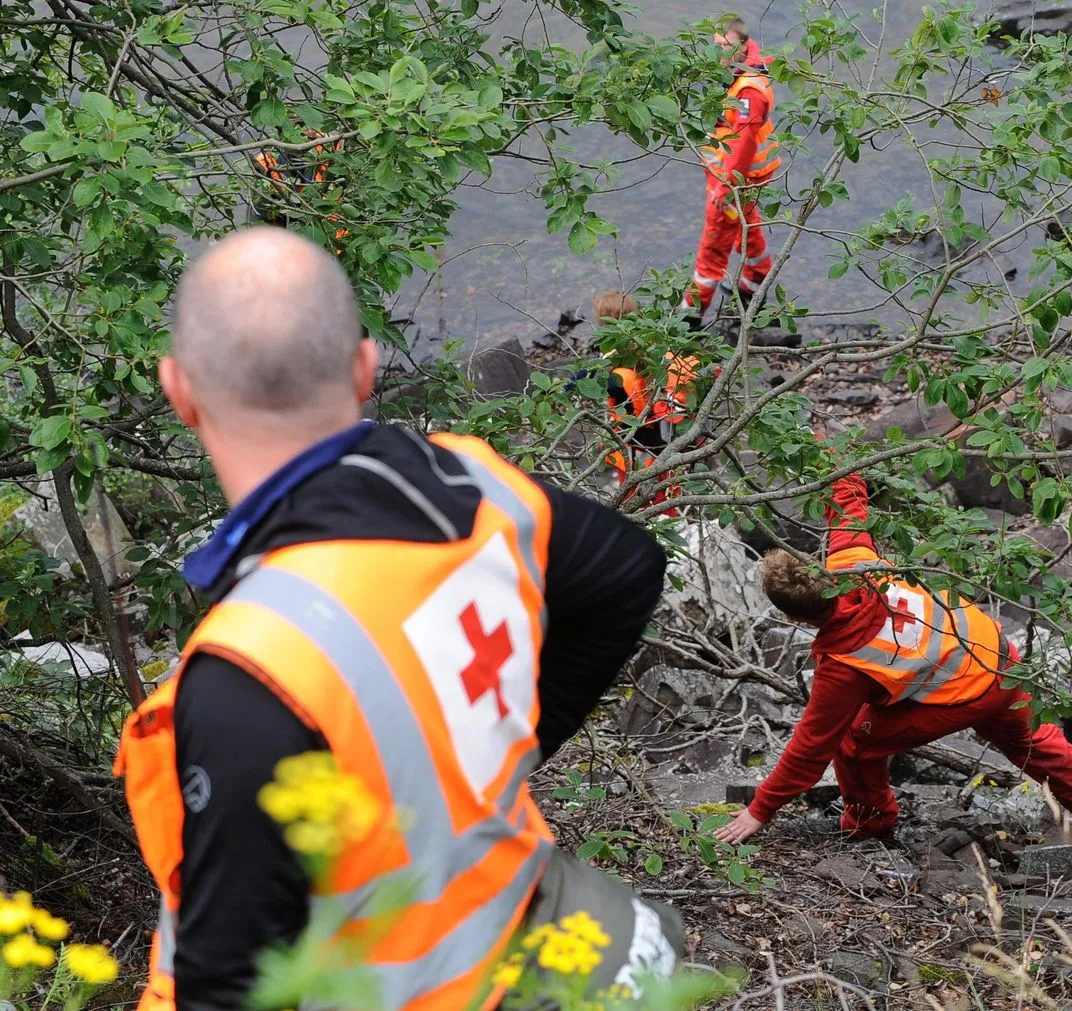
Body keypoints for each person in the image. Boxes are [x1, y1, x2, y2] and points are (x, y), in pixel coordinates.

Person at [116, 229, 679, 1010]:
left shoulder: (247, 673)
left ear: (178, 391)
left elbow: (226, 985)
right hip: (537, 939)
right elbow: (628, 568)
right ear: (364, 366)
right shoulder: (480, 484)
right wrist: (505, 752)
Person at [714, 472, 1072, 853]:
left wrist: (761, 809)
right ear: (822, 568)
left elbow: (811, 746)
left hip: (968, 689)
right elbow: (847, 499)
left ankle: (870, 825)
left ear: (793, 617)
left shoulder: (843, 666)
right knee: (1032, 740)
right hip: (996, 653)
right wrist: (827, 462)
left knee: (853, 741)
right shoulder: (855, 559)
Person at [683, 17, 781, 329]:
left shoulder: (748, 91)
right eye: (717, 46)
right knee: (747, 227)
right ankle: (757, 282)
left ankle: (689, 318)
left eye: (726, 46)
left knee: (713, 247)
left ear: (741, 45)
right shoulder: (743, 69)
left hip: (735, 179)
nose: (720, 53)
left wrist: (726, 188)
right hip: (740, 174)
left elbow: (743, 144)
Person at [594, 292, 702, 514]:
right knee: (669, 503)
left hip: (639, 457)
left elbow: (627, 421)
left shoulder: (619, 376)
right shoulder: (661, 352)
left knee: (640, 508)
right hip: (672, 449)